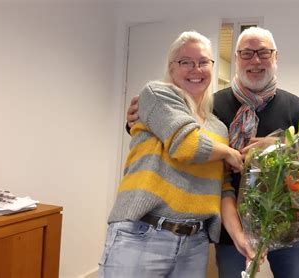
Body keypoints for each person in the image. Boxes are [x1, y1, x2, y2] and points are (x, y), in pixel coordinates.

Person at [127, 27, 299, 278]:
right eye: (246, 53)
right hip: (231, 227)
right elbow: (179, 135)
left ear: (275, 57)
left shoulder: (293, 106)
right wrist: (134, 123)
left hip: (286, 225)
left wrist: (279, 146)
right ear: (236, 59)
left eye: (263, 53)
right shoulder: (212, 105)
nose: (255, 60)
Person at [99, 31, 243, 278]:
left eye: (203, 62)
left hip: (194, 244)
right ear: (171, 68)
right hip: (141, 234)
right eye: (186, 62)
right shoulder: (157, 94)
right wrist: (229, 152)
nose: (195, 69)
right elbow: (186, 146)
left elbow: (224, 188)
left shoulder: (219, 127)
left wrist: (241, 239)